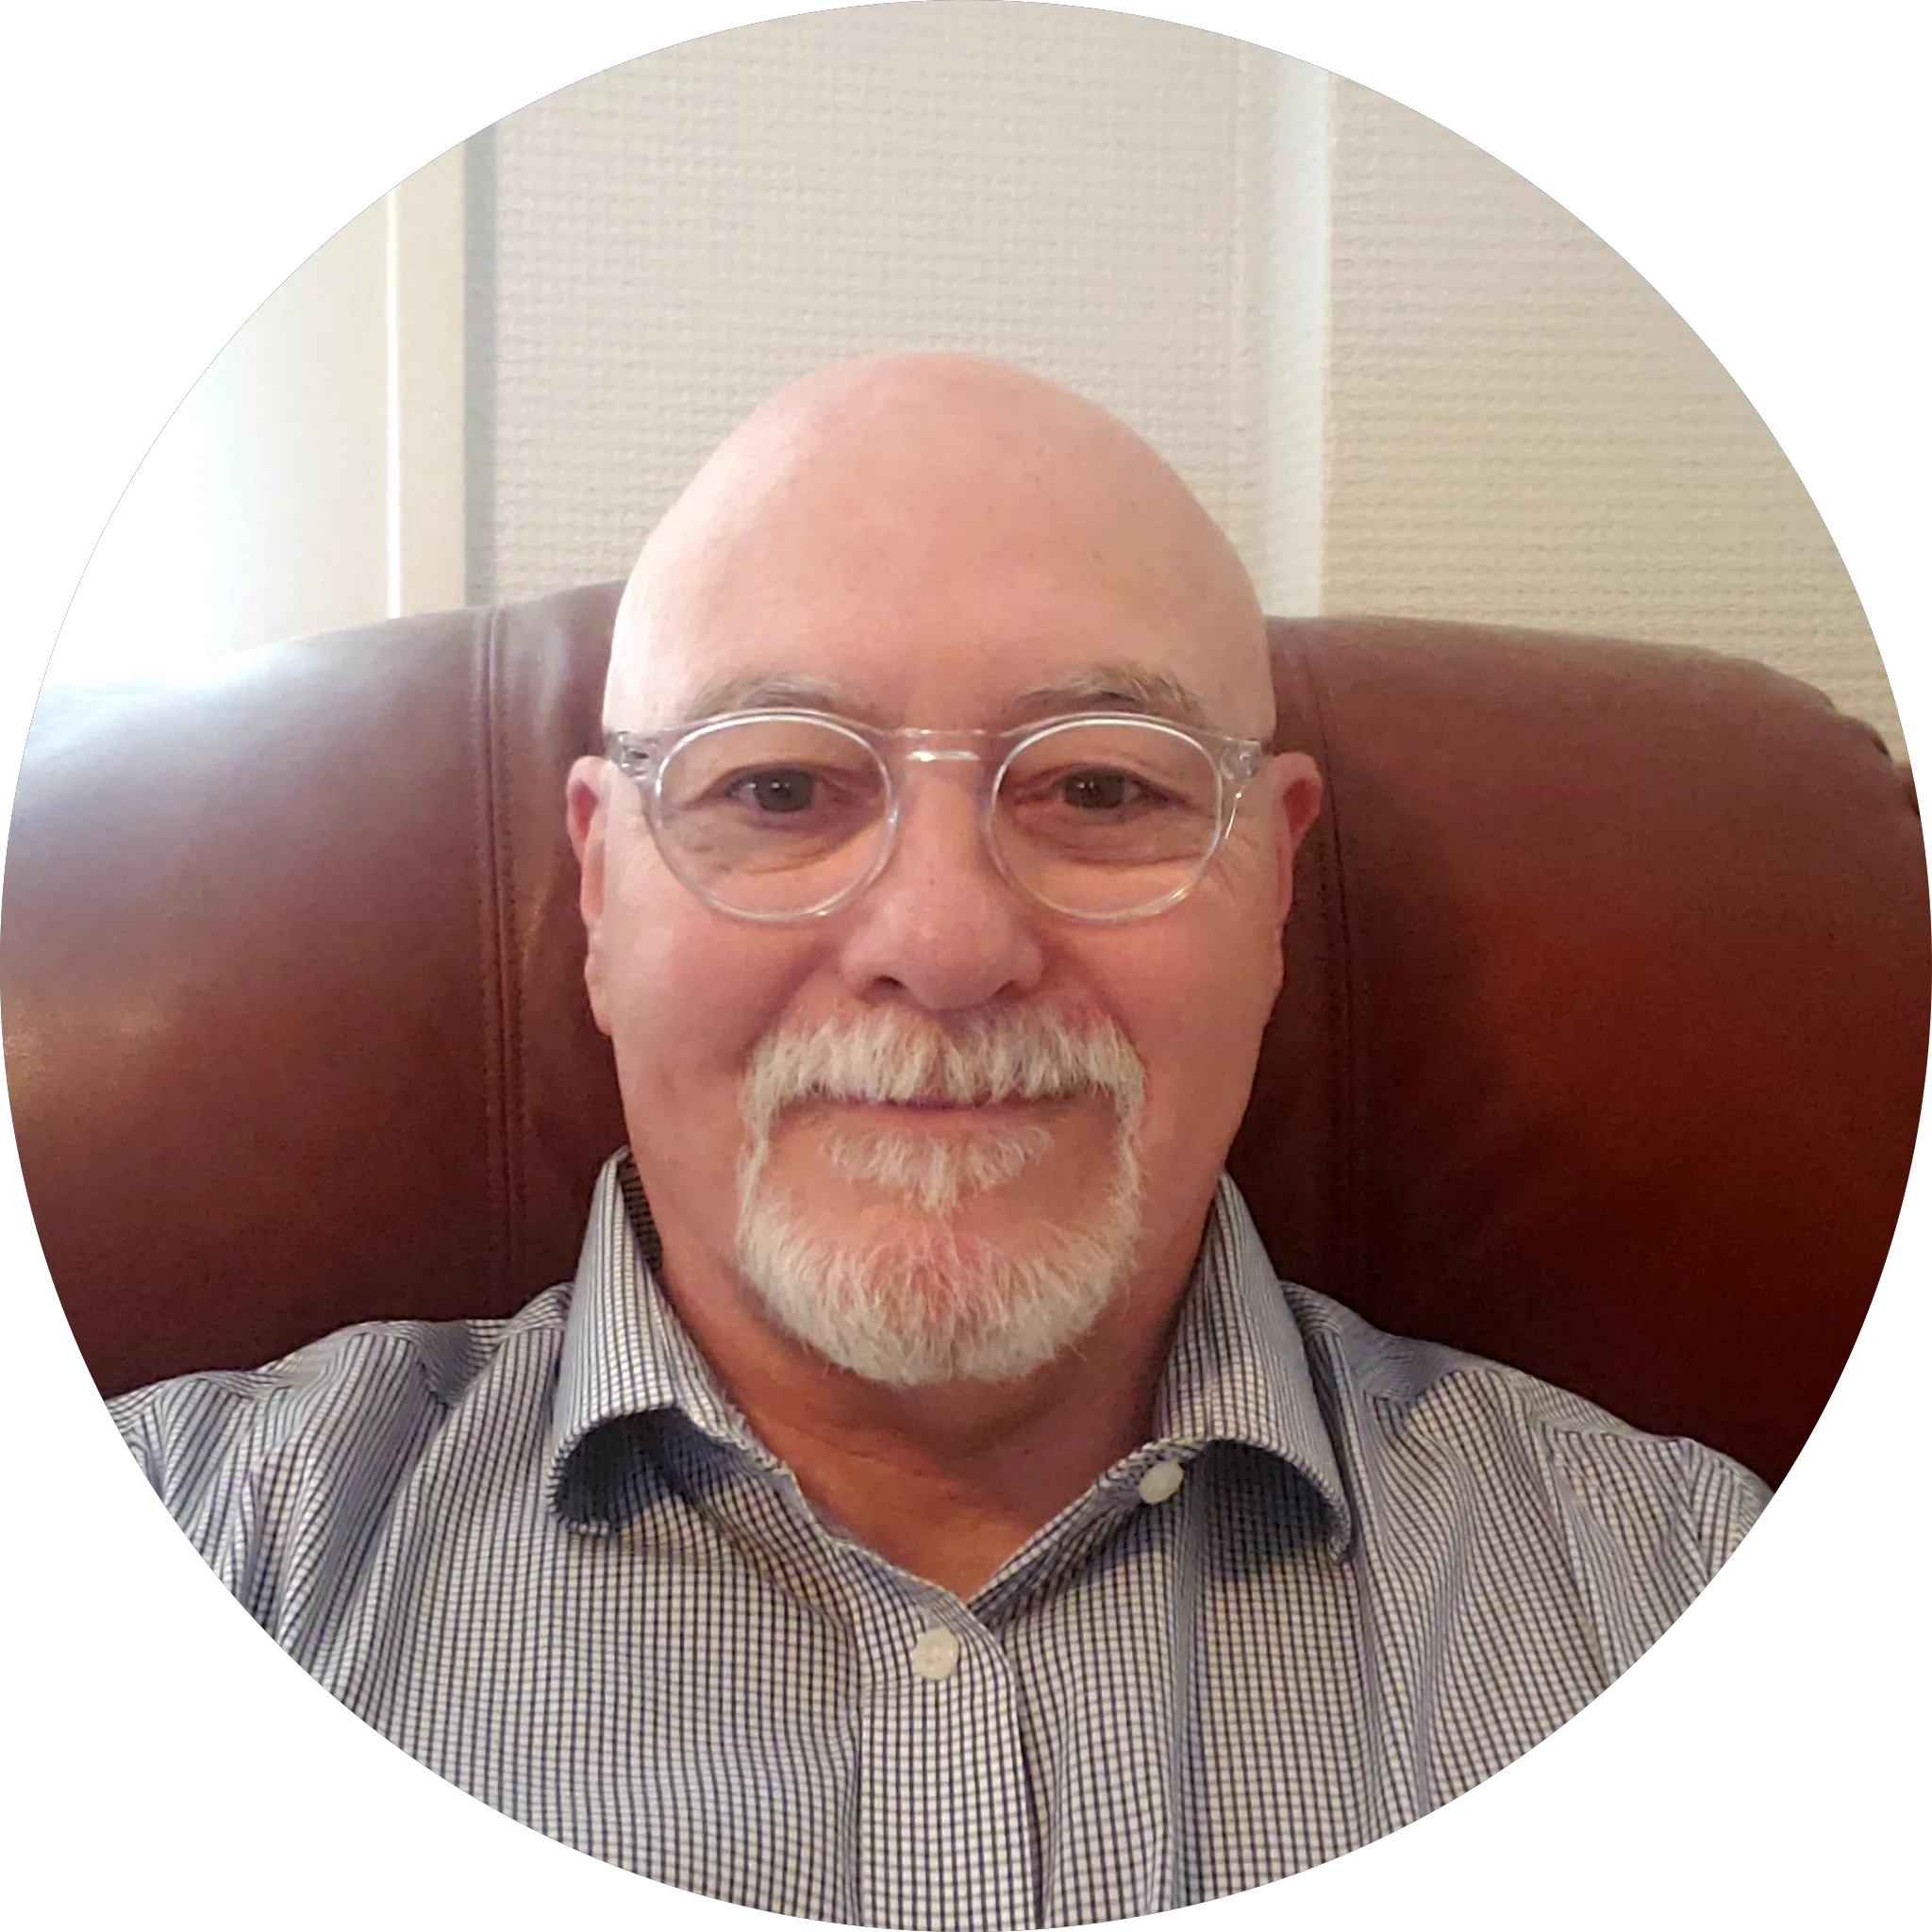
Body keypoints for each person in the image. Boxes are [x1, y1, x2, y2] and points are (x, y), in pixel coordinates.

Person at [107, 353, 1770, 1928]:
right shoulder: (229, 1535)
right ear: (601, 889)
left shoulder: (1655, 1584)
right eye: (778, 790)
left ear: (1272, 882)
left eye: (1101, 790)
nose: (947, 941)